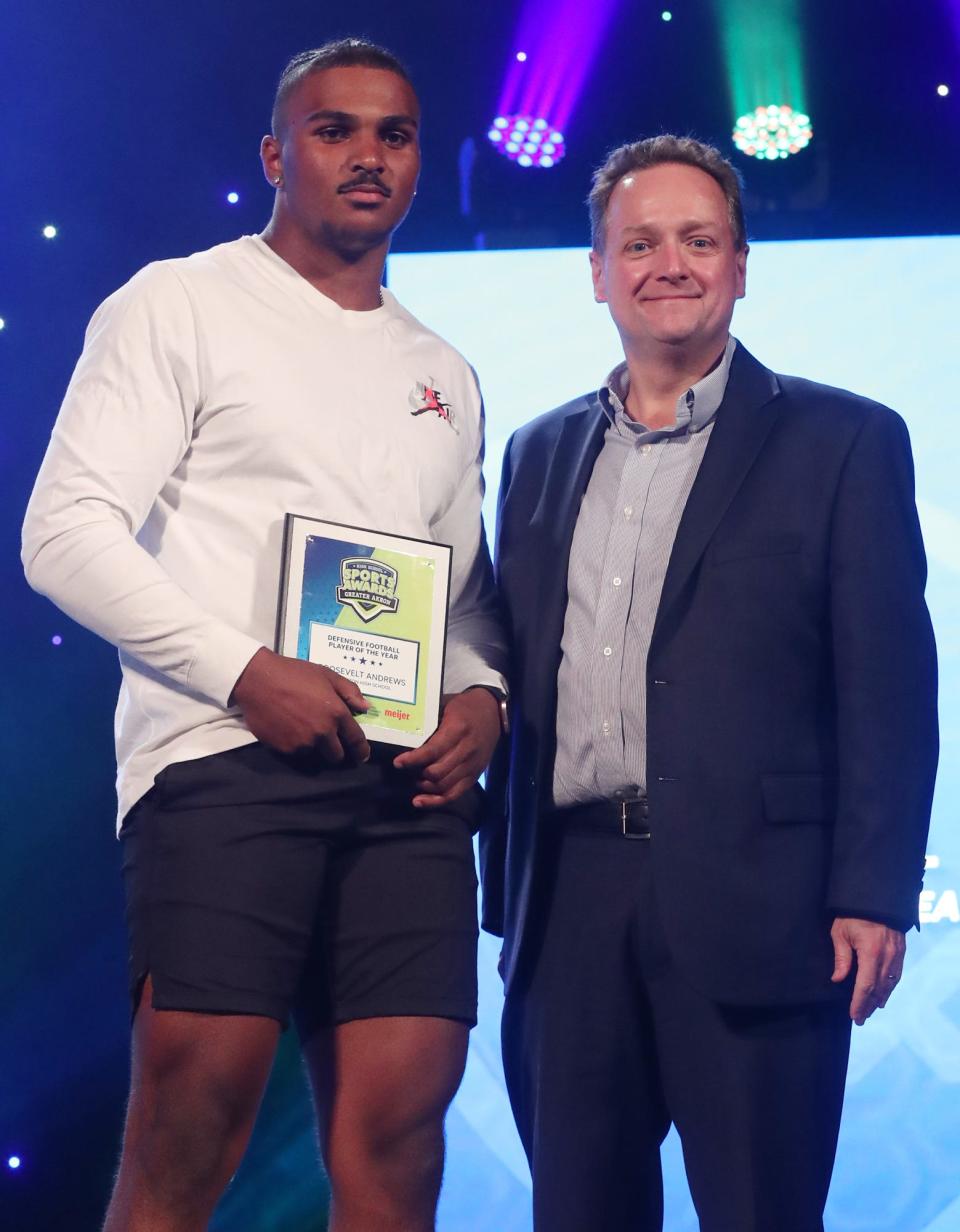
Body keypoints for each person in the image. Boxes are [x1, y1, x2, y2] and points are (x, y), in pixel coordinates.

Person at [22, 39, 506, 1232]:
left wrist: (483, 696)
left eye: (394, 134)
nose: (367, 154)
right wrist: (246, 672)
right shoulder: (178, 302)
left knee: (400, 1138)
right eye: (335, 129)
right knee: (189, 1132)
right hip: (222, 761)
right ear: (275, 155)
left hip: (405, 792)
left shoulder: (443, 369)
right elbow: (63, 534)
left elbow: (465, 598)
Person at [480, 135, 938, 1232]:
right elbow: (507, 655)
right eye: (637, 243)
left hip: (764, 899)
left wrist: (873, 890)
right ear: (597, 272)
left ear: (741, 263)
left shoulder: (847, 440)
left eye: (697, 240)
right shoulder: (535, 453)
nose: (667, 264)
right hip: (570, 902)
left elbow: (889, 685)